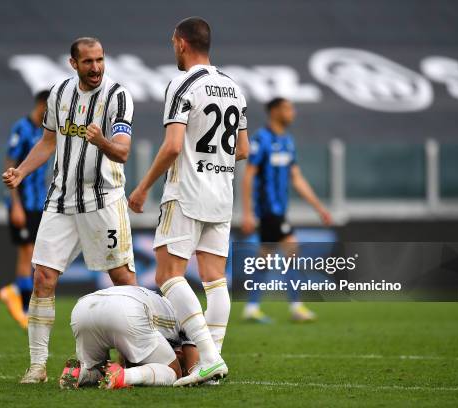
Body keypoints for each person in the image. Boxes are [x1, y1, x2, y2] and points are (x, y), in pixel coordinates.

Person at [2, 37, 137, 384]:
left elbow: (122, 152)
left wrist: (102, 141)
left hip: (103, 201)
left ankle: (132, 363)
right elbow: (48, 142)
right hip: (61, 200)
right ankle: (36, 367)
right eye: (88, 61)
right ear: (73, 63)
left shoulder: (118, 96)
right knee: (42, 278)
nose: (96, 68)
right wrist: (22, 171)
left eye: (100, 60)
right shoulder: (59, 94)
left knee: (123, 280)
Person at [129, 17, 248, 386]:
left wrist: (143, 187)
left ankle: (208, 358)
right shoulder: (233, 87)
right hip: (221, 194)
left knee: (167, 276)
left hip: (187, 192)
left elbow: (173, 145)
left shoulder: (182, 84)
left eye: (173, 44)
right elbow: (243, 149)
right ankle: (211, 366)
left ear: (181, 43)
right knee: (215, 282)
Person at [241, 97, 333, 323]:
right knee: (292, 249)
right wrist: (247, 213)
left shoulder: (287, 140)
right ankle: (296, 306)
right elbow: (248, 177)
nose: (292, 113)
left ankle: (252, 307)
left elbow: (297, 178)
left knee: (265, 258)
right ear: (273, 112)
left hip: (279, 210)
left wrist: (319, 208)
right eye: (287, 108)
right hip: (269, 210)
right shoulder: (261, 139)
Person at [59, 285, 198, 389]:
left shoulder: (166, 306)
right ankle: (124, 377)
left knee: (97, 368)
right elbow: (194, 370)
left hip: (84, 307)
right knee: (174, 373)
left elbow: (127, 352)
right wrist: (184, 371)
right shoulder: (186, 316)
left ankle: (80, 374)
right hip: (127, 310)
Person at [0, 90, 50, 330]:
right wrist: (15, 205)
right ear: (41, 105)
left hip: (38, 203)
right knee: (26, 252)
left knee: (34, 254)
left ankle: (17, 294)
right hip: (22, 204)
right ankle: (21, 302)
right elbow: (10, 166)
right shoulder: (23, 128)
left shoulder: (45, 131)